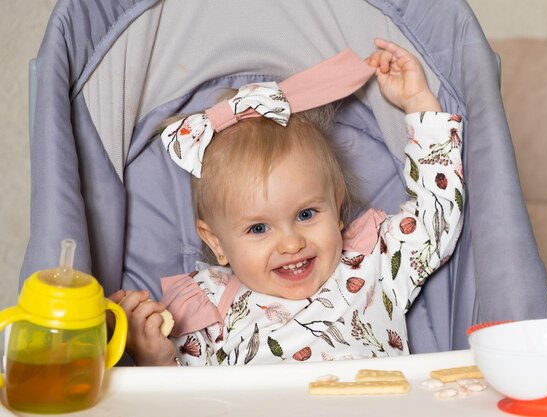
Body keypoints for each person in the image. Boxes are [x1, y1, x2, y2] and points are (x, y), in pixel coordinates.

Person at [109, 38, 464, 366]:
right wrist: (156, 360)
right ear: (215, 241)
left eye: (306, 214)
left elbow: (438, 215)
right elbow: (189, 402)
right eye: (259, 228)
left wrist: (418, 103)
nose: (292, 242)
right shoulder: (205, 308)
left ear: (338, 207)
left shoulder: (373, 262)